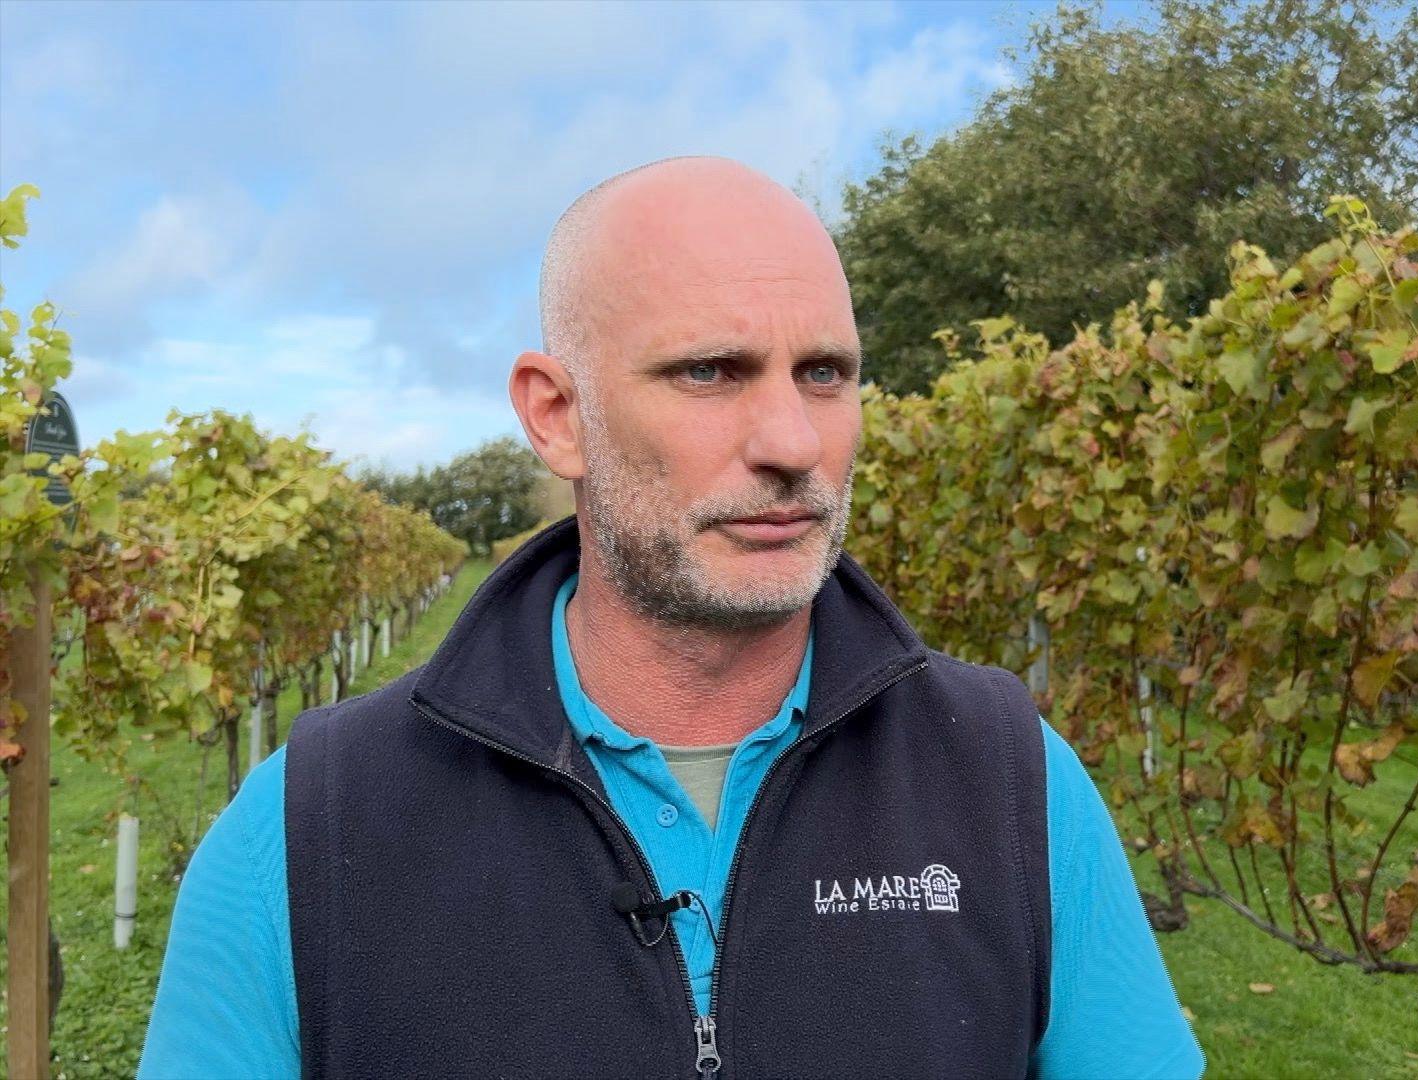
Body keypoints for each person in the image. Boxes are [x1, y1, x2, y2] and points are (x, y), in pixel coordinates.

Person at [138, 156, 1204, 1079]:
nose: (792, 440)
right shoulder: (307, 833)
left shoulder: (1014, 783)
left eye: (824, 372)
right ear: (558, 416)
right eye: (710, 371)